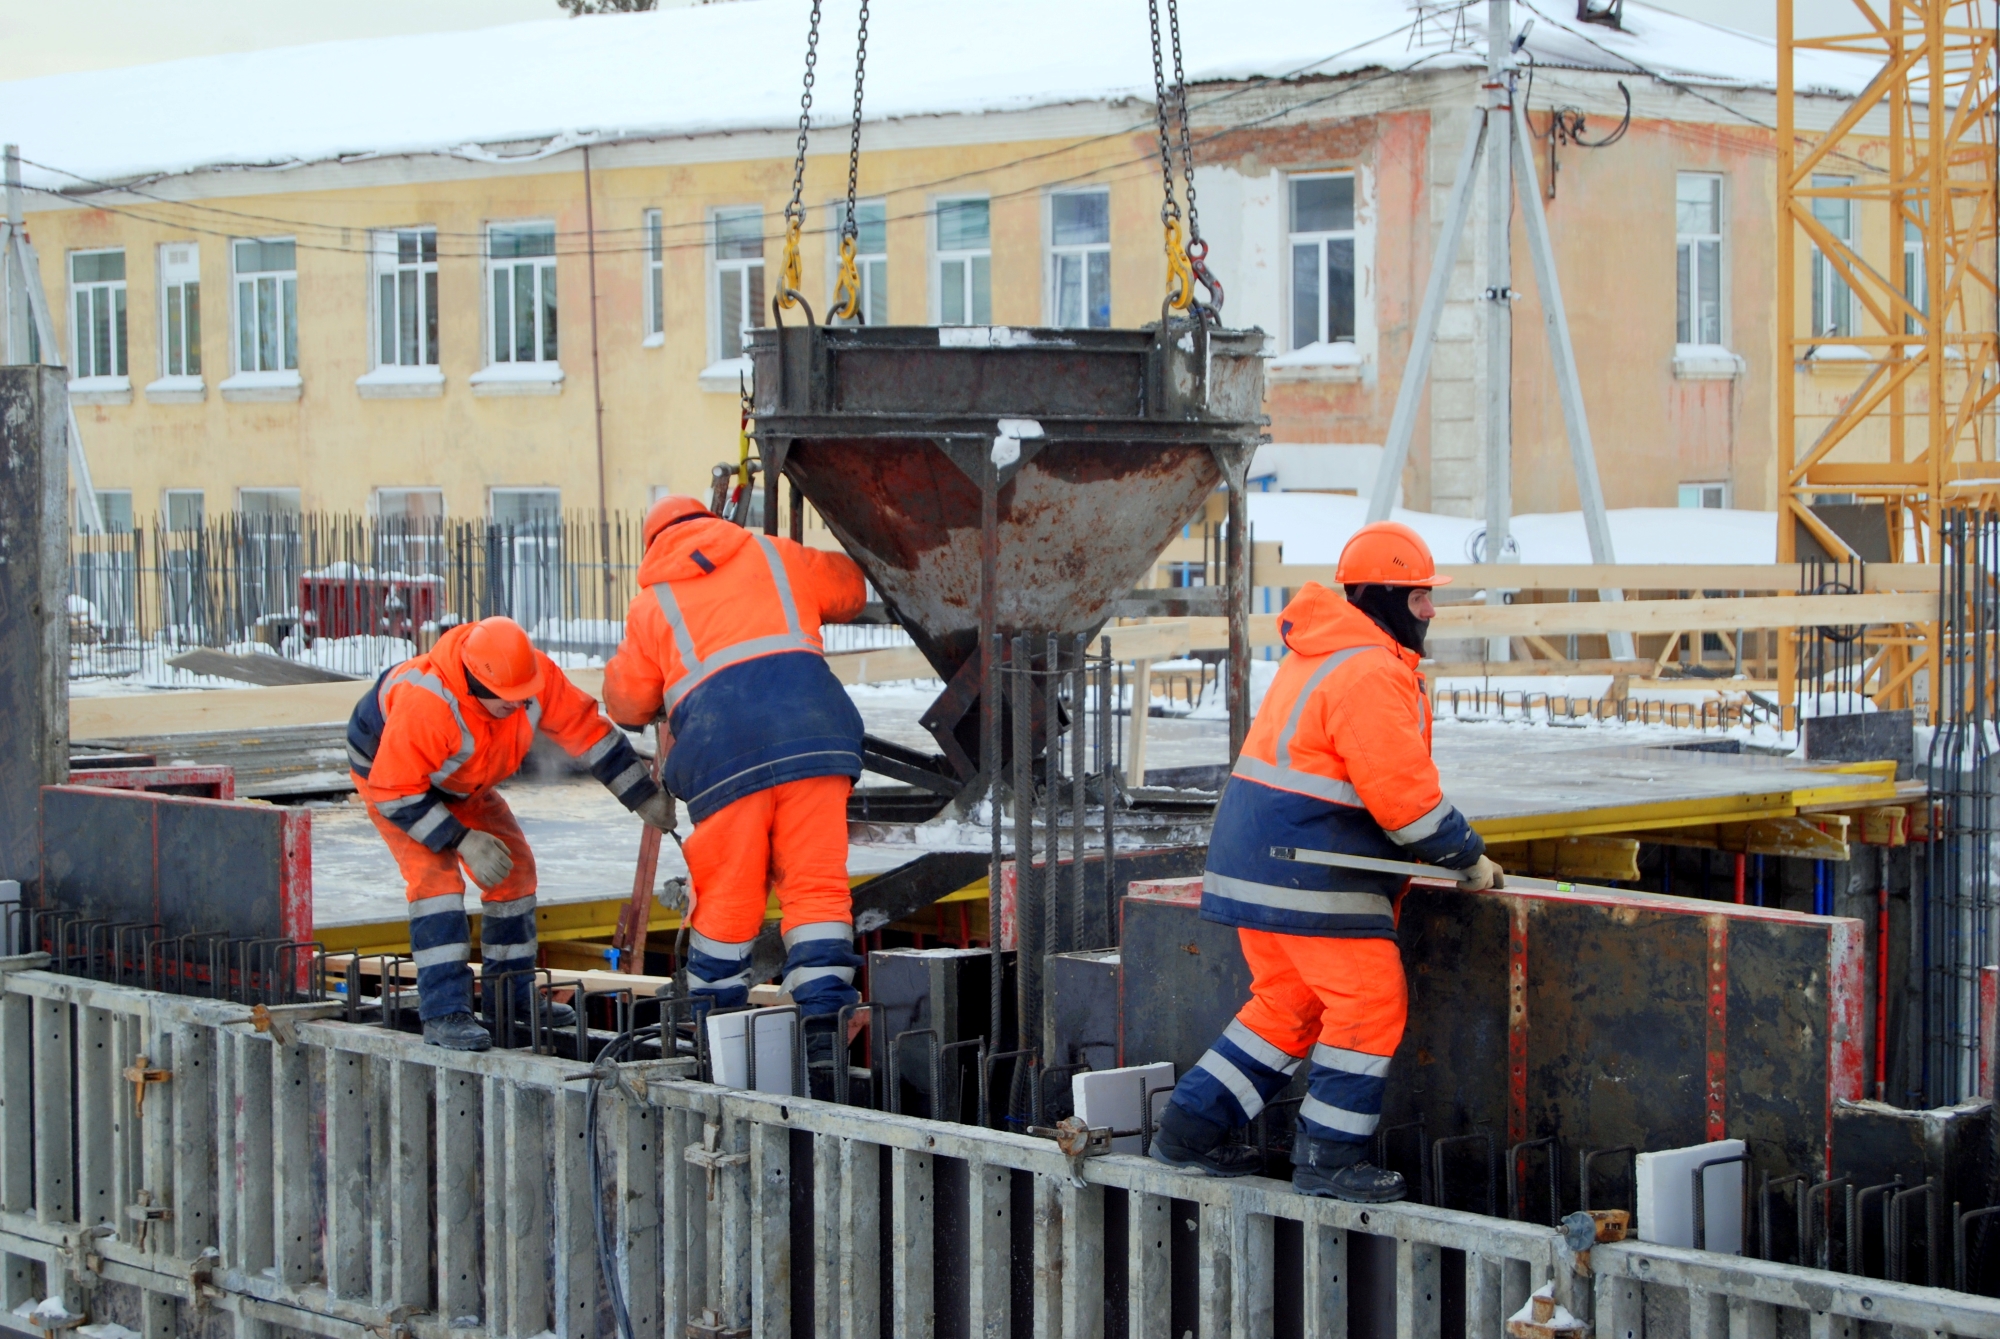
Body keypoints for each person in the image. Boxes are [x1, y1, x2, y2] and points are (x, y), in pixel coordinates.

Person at [1149, 521, 1504, 1201]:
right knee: (1370, 1001)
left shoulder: (1325, 654)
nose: (1430, 610)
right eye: (1419, 595)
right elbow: (1404, 801)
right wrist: (1467, 855)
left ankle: (1189, 1130)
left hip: (1260, 864)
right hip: (1309, 868)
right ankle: (1332, 1157)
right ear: (1382, 597)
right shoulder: (1369, 669)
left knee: (1288, 1003)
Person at [602, 495, 868, 1075]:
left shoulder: (653, 605)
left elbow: (625, 702)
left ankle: (713, 1037)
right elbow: (851, 586)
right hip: (816, 740)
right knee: (818, 891)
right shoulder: (775, 554)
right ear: (713, 523)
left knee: (728, 898)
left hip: (725, 758)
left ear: (652, 547)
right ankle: (824, 1034)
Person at [349, 615, 676, 1051]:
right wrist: (462, 838)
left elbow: (589, 734)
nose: (519, 706)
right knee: (438, 884)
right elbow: (395, 792)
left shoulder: (530, 677)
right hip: (393, 783)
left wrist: (642, 796)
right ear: (475, 685)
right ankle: (445, 1011)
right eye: (507, 700)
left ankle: (510, 998)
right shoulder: (428, 702)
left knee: (514, 872)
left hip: (465, 782)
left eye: (523, 697)